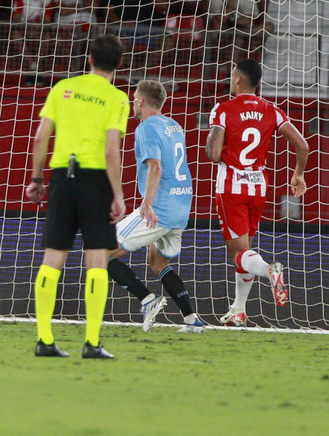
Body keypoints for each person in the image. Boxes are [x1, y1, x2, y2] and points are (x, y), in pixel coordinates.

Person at [23, 32, 130, 359]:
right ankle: (92, 343)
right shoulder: (117, 99)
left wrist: (38, 178)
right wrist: (118, 194)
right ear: (119, 64)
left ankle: (44, 339)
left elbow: (41, 137)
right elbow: (112, 151)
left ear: (90, 58)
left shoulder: (62, 88)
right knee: (96, 259)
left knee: (53, 257)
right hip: (96, 180)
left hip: (62, 178)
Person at [205, 59, 310, 325]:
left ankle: (269, 270)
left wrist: (215, 140)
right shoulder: (272, 111)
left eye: (231, 76)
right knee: (246, 252)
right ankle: (239, 309)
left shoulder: (224, 109)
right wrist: (298, 174)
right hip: (258, 186)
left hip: (231, 186)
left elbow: (214, 153)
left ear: (238, 79)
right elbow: (302, 145)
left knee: (239, 254)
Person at [103, 79, 207, 333]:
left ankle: (148, 300)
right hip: (182, 206)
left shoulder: (146, 127)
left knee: (101, 251)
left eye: (134, 97)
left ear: (140, 100)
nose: (131, 101)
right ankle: (192, 320)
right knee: (157, 261)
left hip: (160, 208)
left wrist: (146, 204)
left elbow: (156, 166)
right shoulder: (174, 124)